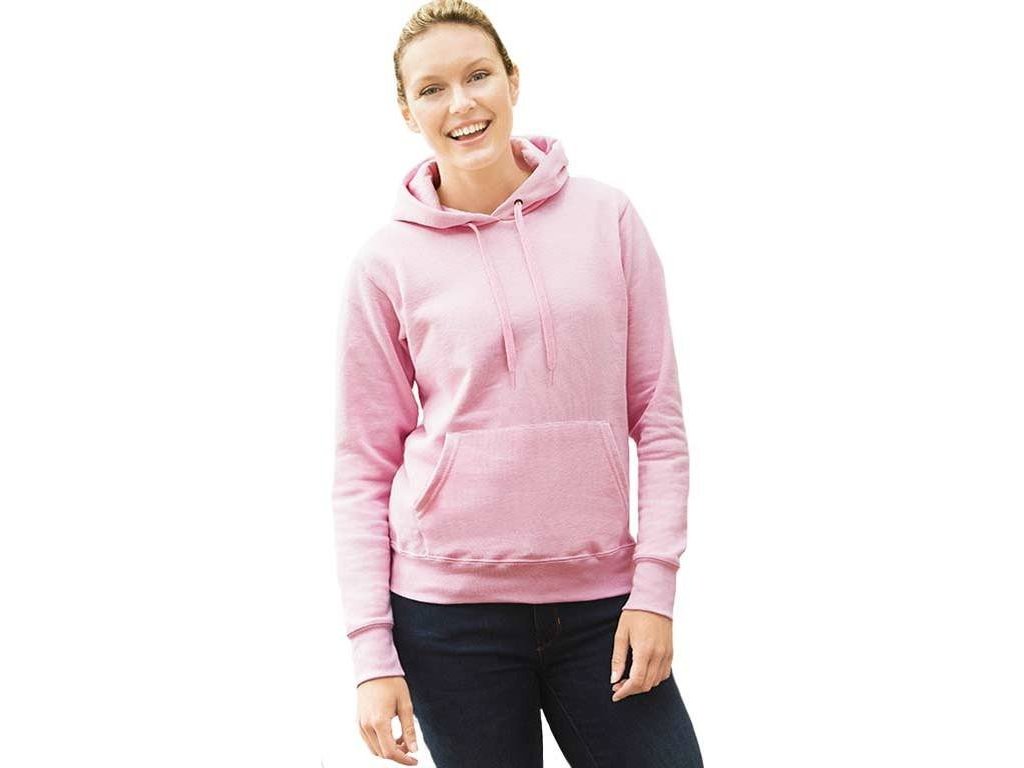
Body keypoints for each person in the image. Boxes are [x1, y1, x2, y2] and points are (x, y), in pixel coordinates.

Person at [332, 2, 703, 765]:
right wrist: (372, 655)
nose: (460, 103)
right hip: (447, 617)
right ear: (406, 111)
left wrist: (654, 590)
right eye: (431, 89)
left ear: (512, 81)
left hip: (602, 605)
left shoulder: (607, 218)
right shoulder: (385, 263)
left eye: (477, 76)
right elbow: (362, 466)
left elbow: (658, 420)